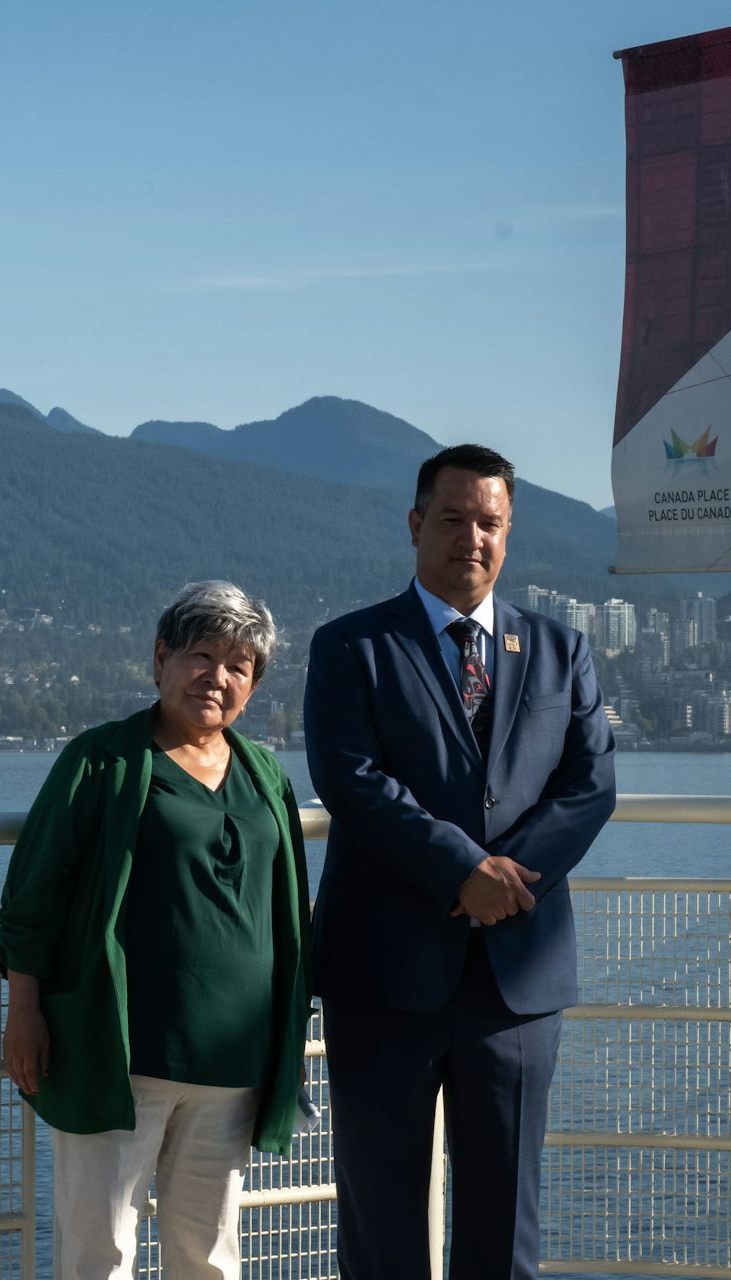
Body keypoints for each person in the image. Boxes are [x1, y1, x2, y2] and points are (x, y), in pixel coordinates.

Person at [304, 445, 615, 1280]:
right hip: (383, 977)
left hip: (517, 982)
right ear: (415, 526)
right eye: (452, 519)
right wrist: (459, 874)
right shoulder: (350, 647)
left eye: (489, 522)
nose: (469, 537)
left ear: (509, 533)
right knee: (381, 1225)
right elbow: (351, 780)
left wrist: (502, 886)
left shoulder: (562, 650)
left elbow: (590, 789)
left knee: (506, 1226)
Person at [0, 581, 312, 1280]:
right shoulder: (101, 762)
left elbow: (289, 912)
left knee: (211, 1258)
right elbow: (34, 897)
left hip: (232, 1067)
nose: (218, 677)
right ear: (161, 658)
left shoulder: (266, 776)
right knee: (98, 1253)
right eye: (202, 655)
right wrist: (24, 1012)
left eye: (240, 666)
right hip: (120, 1057)